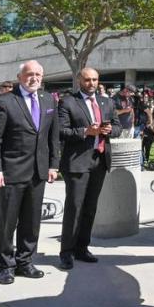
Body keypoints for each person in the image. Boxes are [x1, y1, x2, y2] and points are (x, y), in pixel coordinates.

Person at [0, 60, 60, 284]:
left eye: (38, 74)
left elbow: (52, 136)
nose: (34, 78)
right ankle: (6, 266)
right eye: (29, 74)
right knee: (8, 222)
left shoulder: (49, 100)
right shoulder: (5, 101)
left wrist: (53, 165)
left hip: (38, 172)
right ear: (20, 77)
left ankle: (25, 262)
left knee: (32, 221)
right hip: (11, 172)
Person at [57, 67, 121, 270]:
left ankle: (82, 248)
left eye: (94, 80)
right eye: (87, 80)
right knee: (75, 207)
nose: (91, 83)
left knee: (90, 208)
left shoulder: (107, 102)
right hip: (77, 162)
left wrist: (111, 130)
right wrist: (86, 131)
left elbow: (118, 127)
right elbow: (61, 130)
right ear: (79, 80)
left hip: (99, 160)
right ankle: (66, 252)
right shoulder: (68, 102)